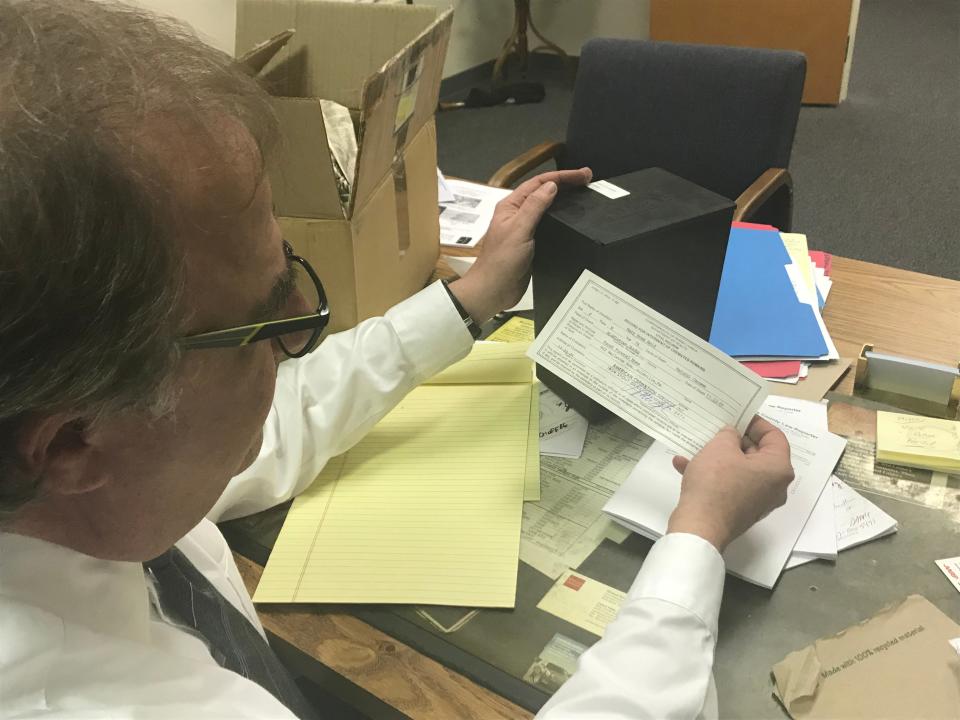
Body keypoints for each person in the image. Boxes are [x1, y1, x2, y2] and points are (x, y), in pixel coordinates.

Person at [0, 2, 794, 719]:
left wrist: (469, 297)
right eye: (268, 322)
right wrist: (696, 538)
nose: (296, 348)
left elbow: (277, 424)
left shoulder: (69, 480)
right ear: (71, 444)